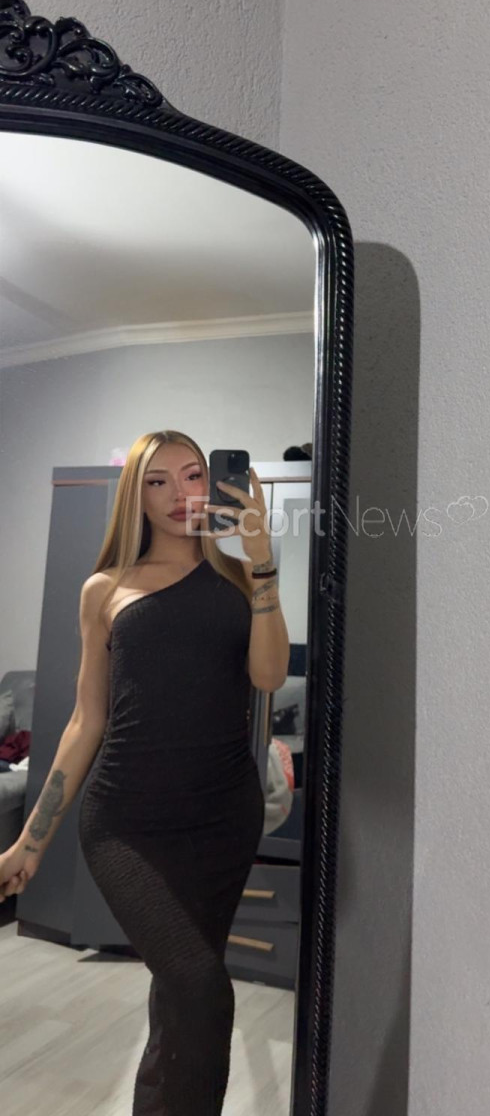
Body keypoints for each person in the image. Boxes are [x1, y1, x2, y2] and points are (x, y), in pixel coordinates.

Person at [0, 429, 290, 1115]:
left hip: (222, 818)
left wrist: (262, 562)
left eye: (192, 475)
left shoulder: (238, 579)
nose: (180, 493)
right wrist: (30, 842)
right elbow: (86, 720)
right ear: (136, 495)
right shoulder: (105, 589)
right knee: (200, 986)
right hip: (126, 822)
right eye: (157, 481)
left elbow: (268, 675)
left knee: (179, 996)